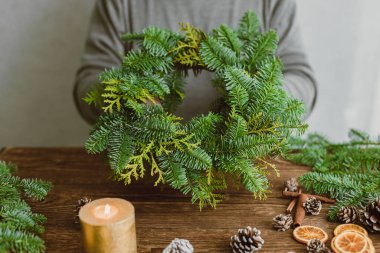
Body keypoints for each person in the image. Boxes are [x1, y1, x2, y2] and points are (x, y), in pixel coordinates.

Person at [74, 0, 317, 124]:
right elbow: (88, 83)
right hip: (145, 174)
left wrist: (269, 99)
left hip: (248, 176)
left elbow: (302, 78)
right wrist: (123, 95)